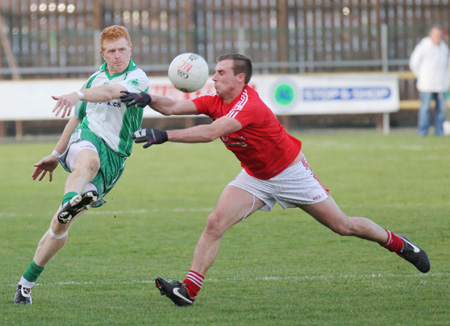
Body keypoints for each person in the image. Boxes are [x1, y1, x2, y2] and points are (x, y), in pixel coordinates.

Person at [120, 53, 430, 307]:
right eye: (214, 72)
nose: (213, 77)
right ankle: (188, 290)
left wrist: (163, 135)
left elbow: (211, 133)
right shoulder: (215, 101)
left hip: (290, 174)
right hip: (255, 177)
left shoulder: (248, 105)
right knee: (215, 222)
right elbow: (173, 106)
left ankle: (399, 244)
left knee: (343, 226)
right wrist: (147, 98)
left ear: (240, 78)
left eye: (220, 72)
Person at [13, 25, 149, 305]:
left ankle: (25, 283)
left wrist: (79, 93)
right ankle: (69, 201)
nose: (117, 55)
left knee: (59, 227)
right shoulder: (94, 77)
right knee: (88, 161)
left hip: (115, 159)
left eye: (122, 49)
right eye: (111, 51)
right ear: (103, 53)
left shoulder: (138, 78)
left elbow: (111, 91)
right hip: (87, 139)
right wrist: (55, 153)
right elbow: (76, 120)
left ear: (131, 49)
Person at [409, 25, 449, 136]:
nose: (438, 37)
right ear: (431, 34)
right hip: (426, 84)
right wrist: (421, 75)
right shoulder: (423, 46)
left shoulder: (444, 48)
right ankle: (423, 131)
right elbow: (414, 63)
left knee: (441, 109)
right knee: (425, 108)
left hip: (440, 84)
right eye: (436, 34)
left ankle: (439, 131)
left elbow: (447, 66)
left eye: (439, 35)